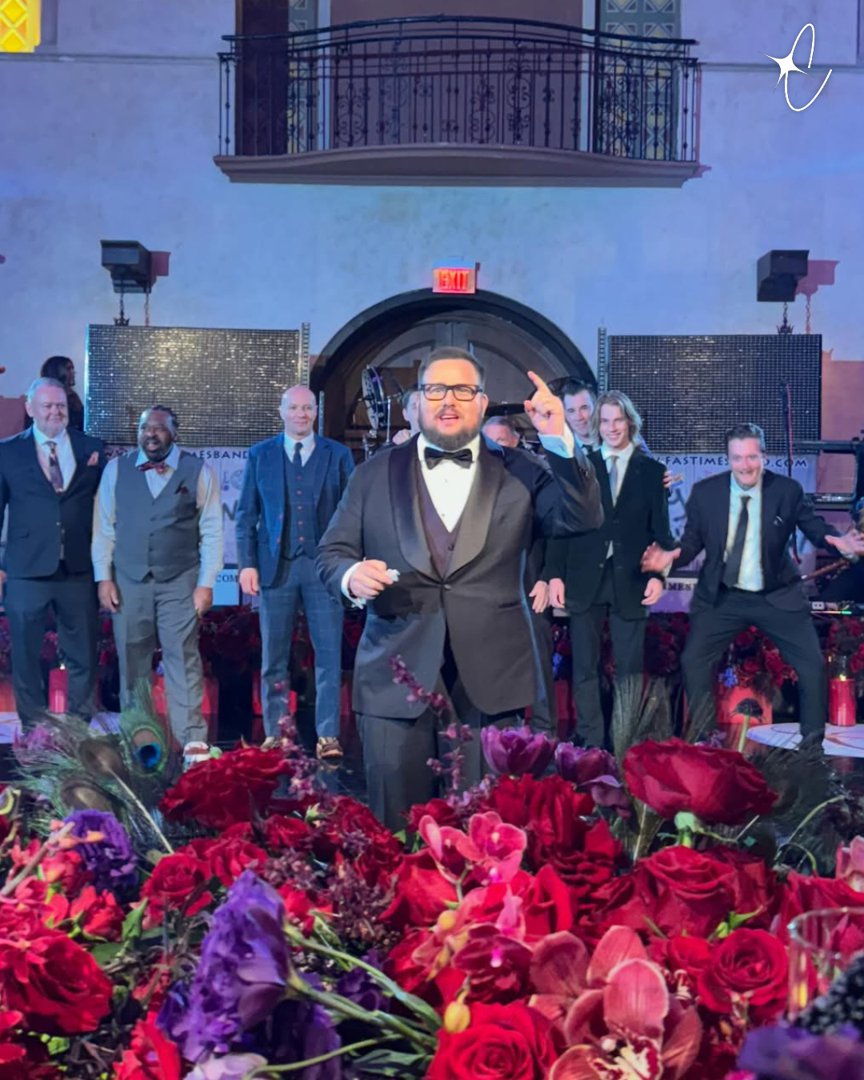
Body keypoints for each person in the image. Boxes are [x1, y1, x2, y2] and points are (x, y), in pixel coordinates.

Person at [317, 347, 602, 829]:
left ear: (483, 402)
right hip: (393, 681)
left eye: (463, 390)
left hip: (490, 687)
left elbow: (584, 516)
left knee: (483, 835)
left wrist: (559, 437)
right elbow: (331, 553)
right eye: (436, 389)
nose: (448, 400)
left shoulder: (523, 471)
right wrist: (350, 576)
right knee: (394, 834)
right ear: (417, 402)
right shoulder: (371, 474)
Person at [642, 422, 864, 744]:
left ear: (764, 456)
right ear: (728, 459)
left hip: (777, 595)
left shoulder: (786, 491)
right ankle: (705, 742)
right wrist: (670, 557)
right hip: (723, 597)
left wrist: (838, 541)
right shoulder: (705, 494)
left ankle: (812, 749)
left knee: (812, 666)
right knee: (693, 660)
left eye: (752, 457)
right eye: (737, 458)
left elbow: (815, 527)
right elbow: (691, 543)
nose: (745, 466)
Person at [547, 391, 675, 747]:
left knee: (628, 671)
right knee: (584, 667)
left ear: (629, 422)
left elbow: (661, 532)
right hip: (584, 578)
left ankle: (624, 743)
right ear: (596, 425)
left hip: (631, 580)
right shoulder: (581, 466)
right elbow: (563, 526)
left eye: (618, 420)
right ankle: (590, 742)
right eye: (605, 421)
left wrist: (657, 575)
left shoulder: (653, 472)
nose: (612, 427)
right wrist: (554, 574)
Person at [92, 406, 223, 752]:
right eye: (144, 427)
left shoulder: (199, 471)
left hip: (180, 580)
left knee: (183, 657)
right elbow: (104, 528)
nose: (151, 434)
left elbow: (212, 530)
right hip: (128, 580)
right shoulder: (116, 470)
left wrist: (206, 583)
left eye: (159, 428)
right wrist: (103, 577)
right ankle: (140, 742)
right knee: (132, 660)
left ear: (174, 433)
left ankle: (192, 740)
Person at [236, 385, 354, 758]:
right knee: (273, 656)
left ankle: (328, 735)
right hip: (277, 567)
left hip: (324, 569)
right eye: (295, 408)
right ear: (282, 411)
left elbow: (353, 513)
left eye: (308, 408)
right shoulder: (261, 455)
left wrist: (349, 563)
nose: (302, 414)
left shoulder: (338, 455)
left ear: (316, 411)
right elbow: (246, 514)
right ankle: (275, 733)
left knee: (328, 654)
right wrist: (247, 564)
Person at [0, 378, 104, 728]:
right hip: (26, 569)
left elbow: (106, 510)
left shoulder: (92, 448)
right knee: (26, 656)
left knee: (83, 654)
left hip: (77, 567)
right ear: (30, 409)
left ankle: (78, 731)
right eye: (47, 406)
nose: (55, 412)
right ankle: (34, 732)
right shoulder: (7, 452)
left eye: (60, 405)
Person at [482, 413, 557, 732]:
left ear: (516, 441)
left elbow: (555, 531)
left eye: (501, 441)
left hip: (529, 580)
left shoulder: (534, 473)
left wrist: (547, 577)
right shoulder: (473, 477)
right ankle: (500, 731)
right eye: (488, 442)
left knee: (537, 656)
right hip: (486, 587)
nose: (495, 448)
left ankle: (544, 731)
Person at [41, 356, 85, 431]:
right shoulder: (45, 397)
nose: (73, 372)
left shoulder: (72, 396)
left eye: (72, 369)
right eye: (68, 369)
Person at [560, 379, 599, 452]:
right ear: (565, 415)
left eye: (584, 408)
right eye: (571, 411)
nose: (579, 417)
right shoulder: (562, 451)